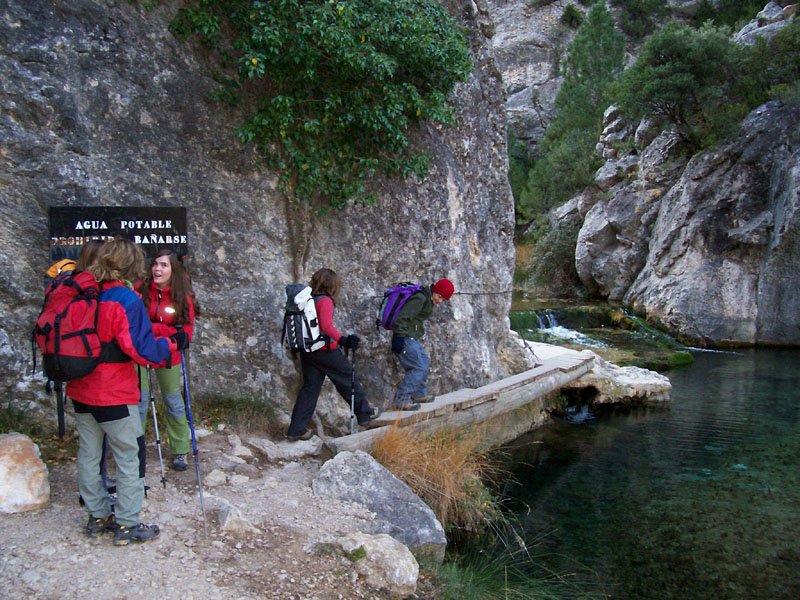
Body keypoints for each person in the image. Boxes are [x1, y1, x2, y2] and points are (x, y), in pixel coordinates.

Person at [66, 237, 189, 545]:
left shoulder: (81, 293)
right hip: (113, 392)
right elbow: (141, 350)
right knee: (128, 454)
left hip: (80, 388)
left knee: (89, 452)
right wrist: (172, 344)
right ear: (129, 264)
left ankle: (97, 515)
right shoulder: (125, 298)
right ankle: (126, 523)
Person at [286, 268, 377, 441]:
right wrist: (343, 340)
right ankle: (364, 414)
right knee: (347, 377)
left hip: (307, 351)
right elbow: (326, 327)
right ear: (332, 285)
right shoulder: (325, 301)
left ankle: (295, 430)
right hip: (324, 350)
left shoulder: (308, 299)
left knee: (309, 389)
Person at [136, 249, 199, 472]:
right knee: (139, 402)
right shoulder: (140, 291)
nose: (157, 269)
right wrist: (166, 330)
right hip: (140, 354)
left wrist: (156, 331)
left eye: (163, 265)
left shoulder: (183, 296)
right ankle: (135, 449)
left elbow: (186, 334)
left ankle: (180, 449)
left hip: (168, 356)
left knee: (173, 401)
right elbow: (135, 325)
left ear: (174, 269)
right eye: (155, 264)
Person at [390, 278, 455, 411]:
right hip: (405, 337)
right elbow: (403, 317)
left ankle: (419, 394)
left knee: (424, 363)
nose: (440, 301)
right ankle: (402, 400)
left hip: (413, 337)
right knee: (418, 367)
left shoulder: (428, 299)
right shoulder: (421, 298)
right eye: (439, 296)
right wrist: (398, 336)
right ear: (435, 290)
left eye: (443, 300)